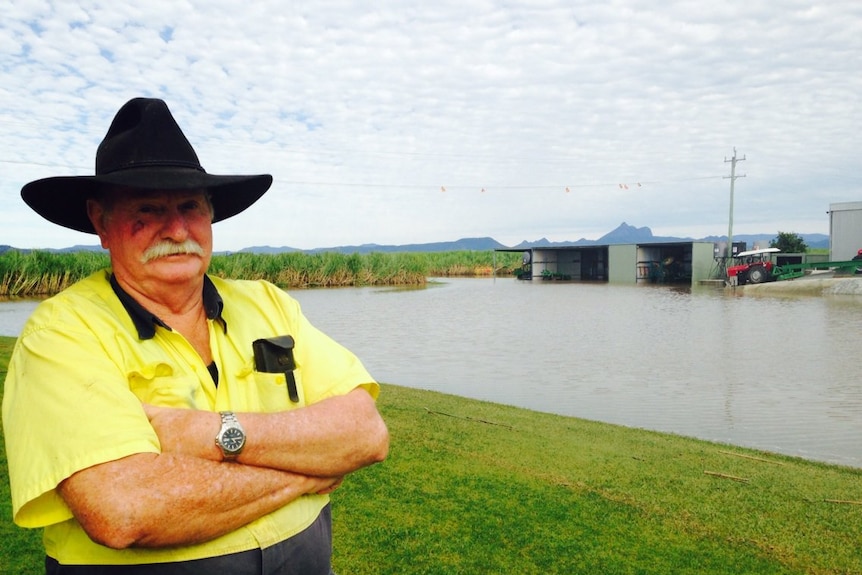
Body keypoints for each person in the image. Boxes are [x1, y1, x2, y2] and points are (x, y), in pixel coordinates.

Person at [2, 97, 389, 574]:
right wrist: (308, 469)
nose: (177, 228)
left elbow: (365, 432)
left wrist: (205, 434)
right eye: (149, 208)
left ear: (210, 216)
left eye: (190, 206)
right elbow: (124, 509)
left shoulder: (268, 302)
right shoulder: (61, 334)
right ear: (102, 222)